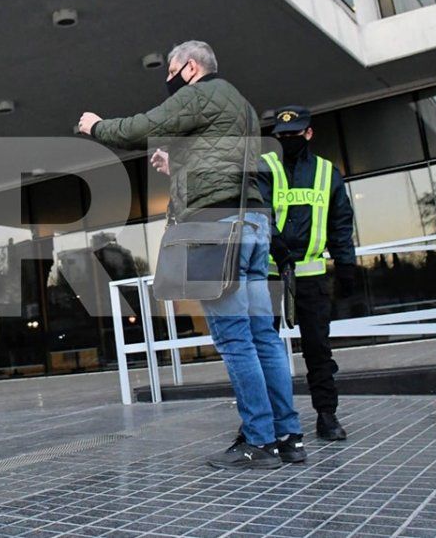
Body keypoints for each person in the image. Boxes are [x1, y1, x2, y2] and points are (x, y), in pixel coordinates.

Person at [78, 40, 304, 469]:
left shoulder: (199, 93)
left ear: (191, 66)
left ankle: (260, 440)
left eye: (171, 67)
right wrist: (177, 160)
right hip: (253, 223)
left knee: (235, 338)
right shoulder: (241, 104)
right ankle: (287, 435)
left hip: (216, 227)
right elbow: (221, 156)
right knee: (263, 337)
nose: (168, 76)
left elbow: (143, 126)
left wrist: (97, 127)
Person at [260, 106, 355, 441]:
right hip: (270, 276)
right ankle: (270, 419)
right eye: (282, 136)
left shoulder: (329, 174)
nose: (288, 141)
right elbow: (261, 216)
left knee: (318, 349)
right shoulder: (266, 168)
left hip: (312, 276)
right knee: (265, 351)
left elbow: (341, 225)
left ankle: (327, 416)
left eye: (294, 135)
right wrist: (278, 250)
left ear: (309, 134)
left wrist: (346, 265)